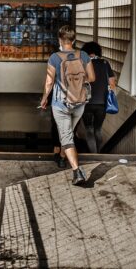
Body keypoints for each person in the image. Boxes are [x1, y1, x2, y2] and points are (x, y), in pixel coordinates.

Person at [39, 25, 95, 185]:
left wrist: (44, 98)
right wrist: (77, 82)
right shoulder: (83, 55)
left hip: (60, 103)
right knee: (68, 132)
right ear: (74, 40)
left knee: (66, 136)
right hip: (79, 102)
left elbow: (49, 81)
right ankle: (62, 158)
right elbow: (92, 77)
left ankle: (77, 171)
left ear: (59, 40)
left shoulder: (54, 57)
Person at [80, 41, 117, 154]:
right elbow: (112, 84)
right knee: (98, 129)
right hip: (101, 103)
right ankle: (99, 153)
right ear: (98, 51)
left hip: (86, 102)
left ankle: (93, 154)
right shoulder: (105, 63)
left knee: (89, 130)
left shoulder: (82, 64)